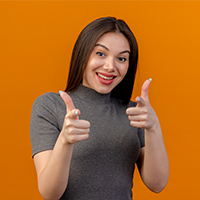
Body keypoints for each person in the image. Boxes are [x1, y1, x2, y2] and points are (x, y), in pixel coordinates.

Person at [30, 17, 169, 200]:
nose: (110, 67)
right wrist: (65, 141)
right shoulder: (50, 106)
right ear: (82, 53)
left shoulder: (135, 113)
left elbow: (157, 184)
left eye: (121, 58)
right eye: (100, 54)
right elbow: (50, 193)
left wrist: (153, 127)